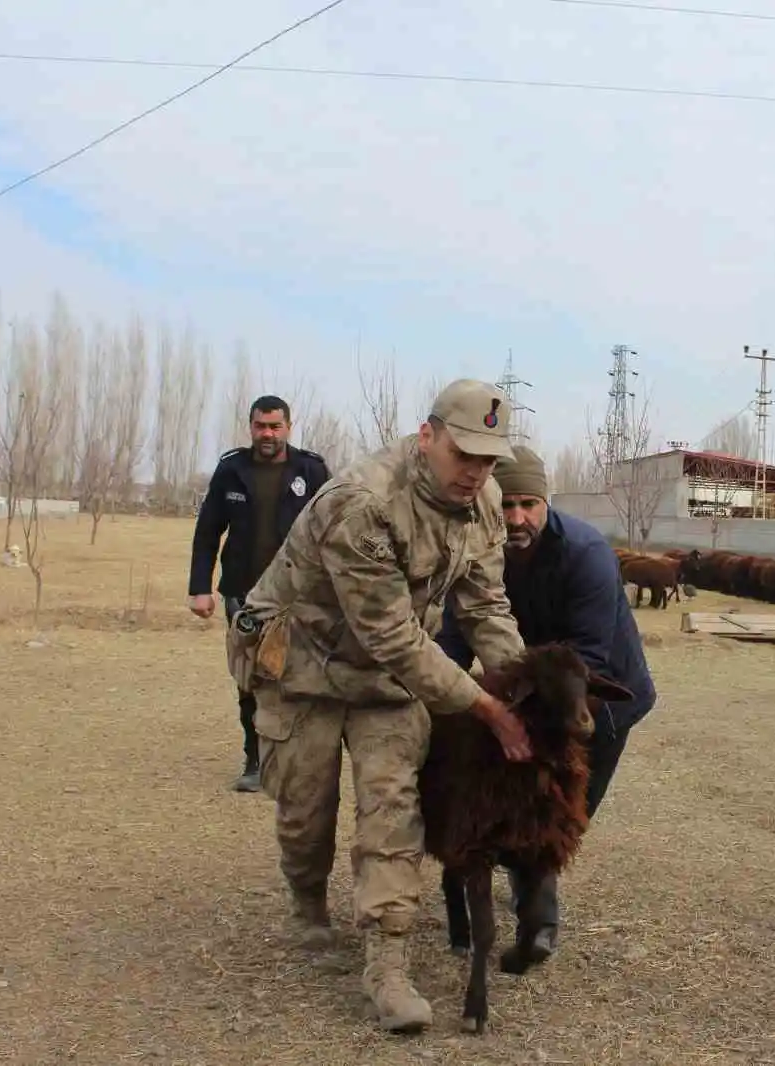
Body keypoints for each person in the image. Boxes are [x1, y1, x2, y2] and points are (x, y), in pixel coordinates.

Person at [231, 378, 533, 1035]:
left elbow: (485, 606)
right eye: (464, 455)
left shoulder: (481, 502)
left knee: (393, 806)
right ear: (427, 438)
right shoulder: (364, 501)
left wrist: (519, 687)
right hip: (303, 663)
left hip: (387, 683)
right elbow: (390, 634)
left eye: (489, 460)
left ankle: (388, 965)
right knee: (306, 810)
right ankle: (308, 902)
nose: (476, 473)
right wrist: (484, 706)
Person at [435, 443, 657, 963]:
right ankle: (510, 911)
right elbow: (457, 634)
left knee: (560, 815)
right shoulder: (474, 555)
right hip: (528, 701)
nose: (516, 517)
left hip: (595, 701)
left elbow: (588, 654)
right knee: (516, 801)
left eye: (527, 504)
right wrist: (440, 688)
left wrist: (509, 688)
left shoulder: (586, 554)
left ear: (546, 503)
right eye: (506, 504)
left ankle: (538, 923)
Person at [187, 395, 331, 792]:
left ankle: (298, 762)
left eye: (275, 426)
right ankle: (255, 760)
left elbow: (337, 530)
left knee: (300, 680)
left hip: (299, 597)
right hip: (244, 594)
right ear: (250, 426)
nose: (267, 434)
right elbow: (207, 532)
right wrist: (200, 588)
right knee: (250, 682)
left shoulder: (312, 470)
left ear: (288, 426)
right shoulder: (231, 469)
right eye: (260, 426)